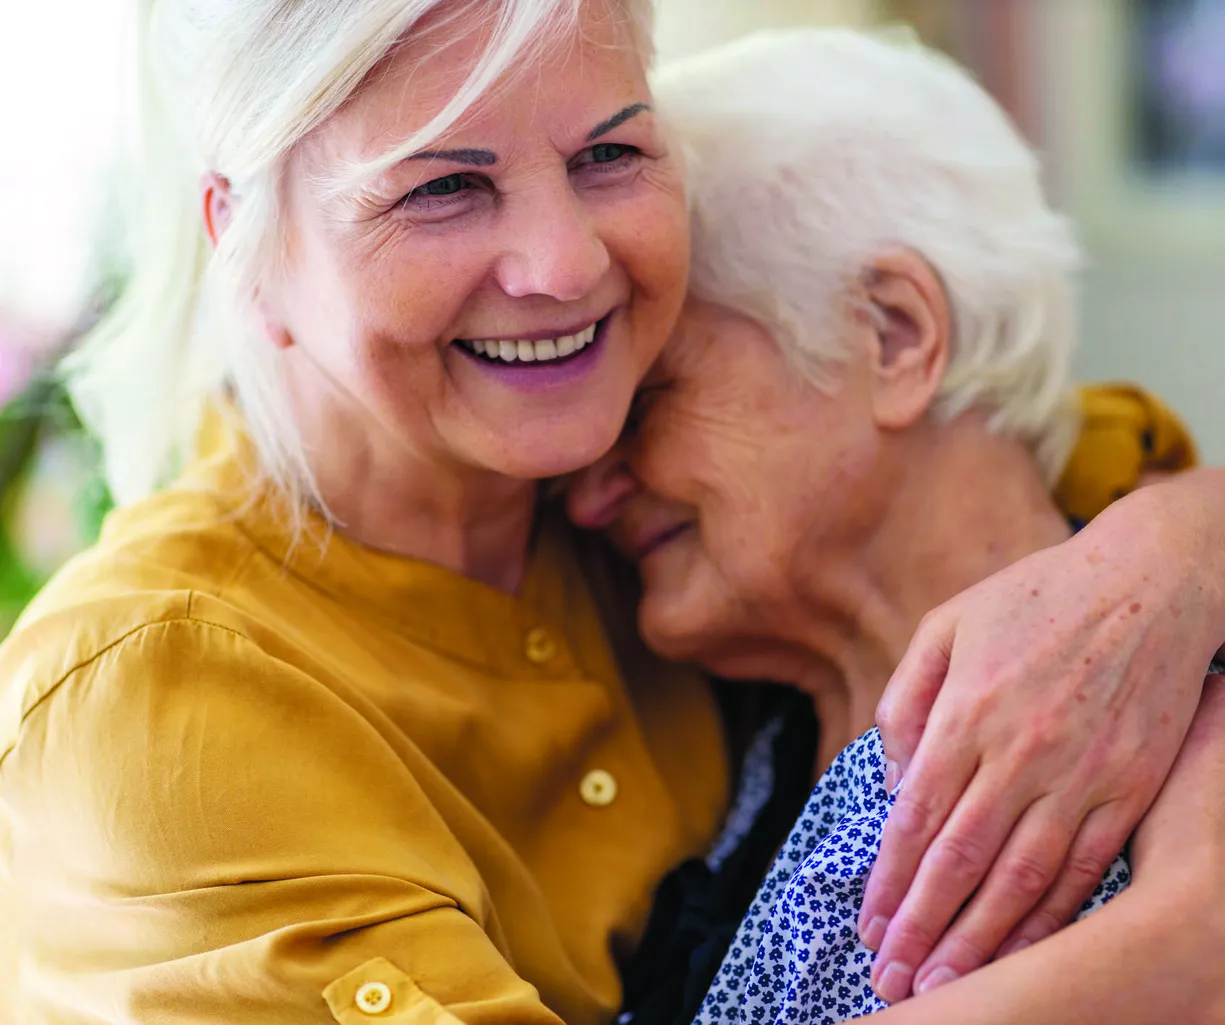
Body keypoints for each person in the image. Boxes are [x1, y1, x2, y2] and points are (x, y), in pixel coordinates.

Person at [0, 2, 1221, 1022]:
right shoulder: (154, 701)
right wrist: (1179, 955)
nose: (566, 265)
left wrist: (1184, 548)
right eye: (440, 188)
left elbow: (1022, 449)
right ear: (247, 242)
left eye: (609, 156)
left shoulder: (659, 507)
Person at [567, 28, 1225, 1022]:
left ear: (894, 334)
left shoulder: (1187, 736)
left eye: (646, 398)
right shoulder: (727, 738)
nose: (586, 493)